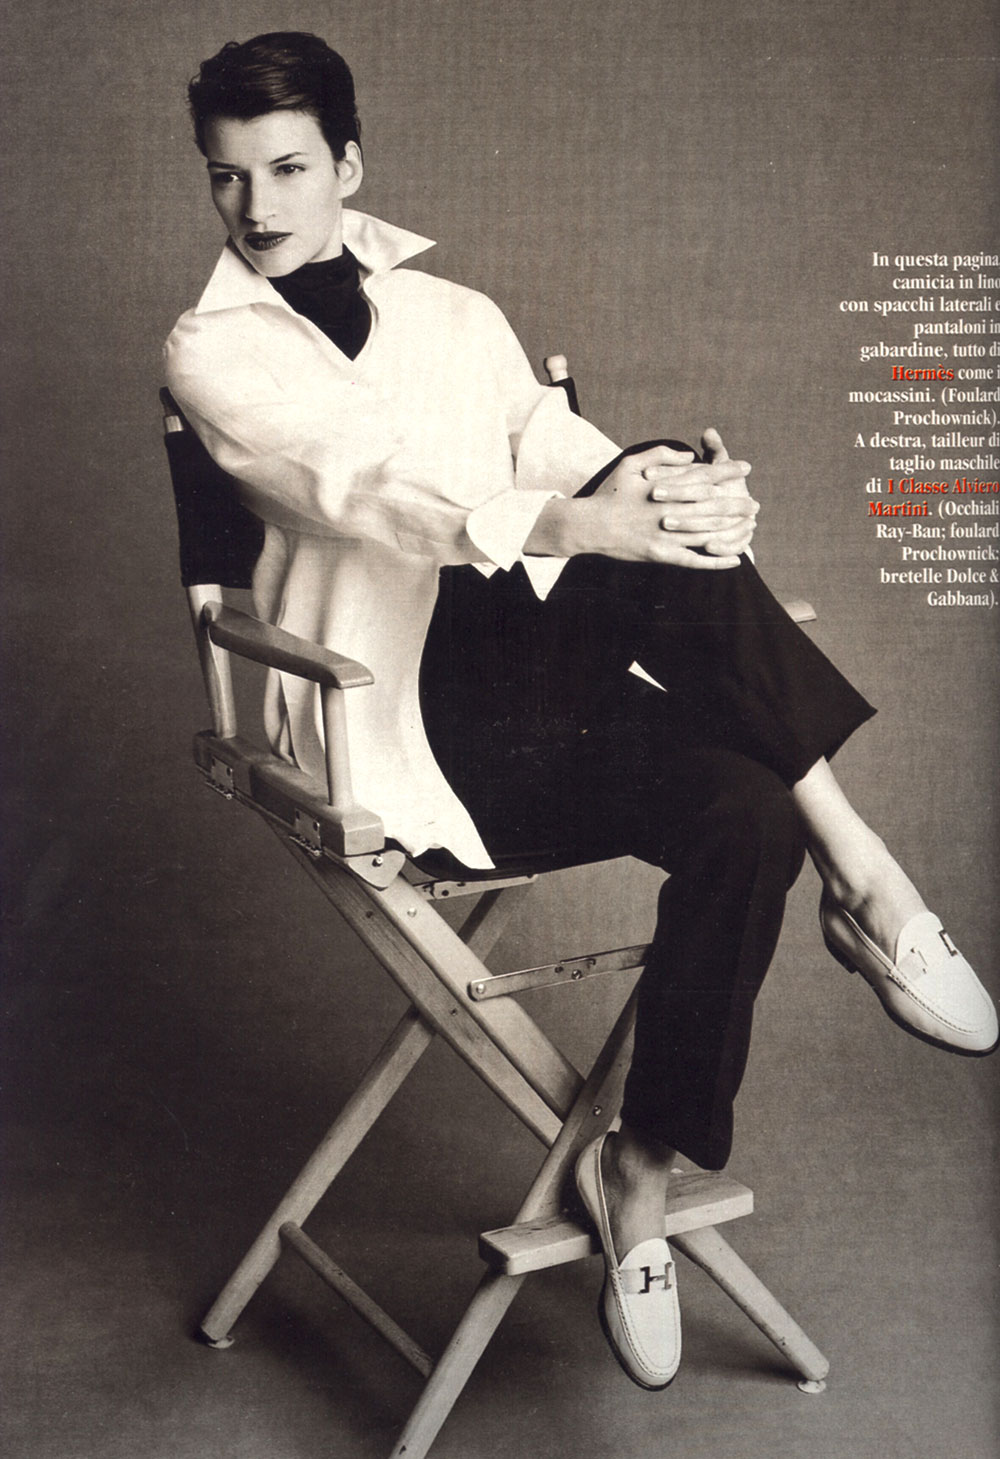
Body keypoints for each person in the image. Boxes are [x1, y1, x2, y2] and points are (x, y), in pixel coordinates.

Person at [165, 32, 998, 1392]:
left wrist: (692, 502)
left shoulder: (458, 316)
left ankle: (639, 1175)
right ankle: (871, 881)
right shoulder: (213, 351)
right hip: (391, 720)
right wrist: (588, 522)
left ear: (348, 167)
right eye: (227, 176)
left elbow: (571, 458)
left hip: (545, 700)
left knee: (729, 745)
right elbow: (360, 488)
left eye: (289, 169)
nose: (256, 206)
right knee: (672, 623)